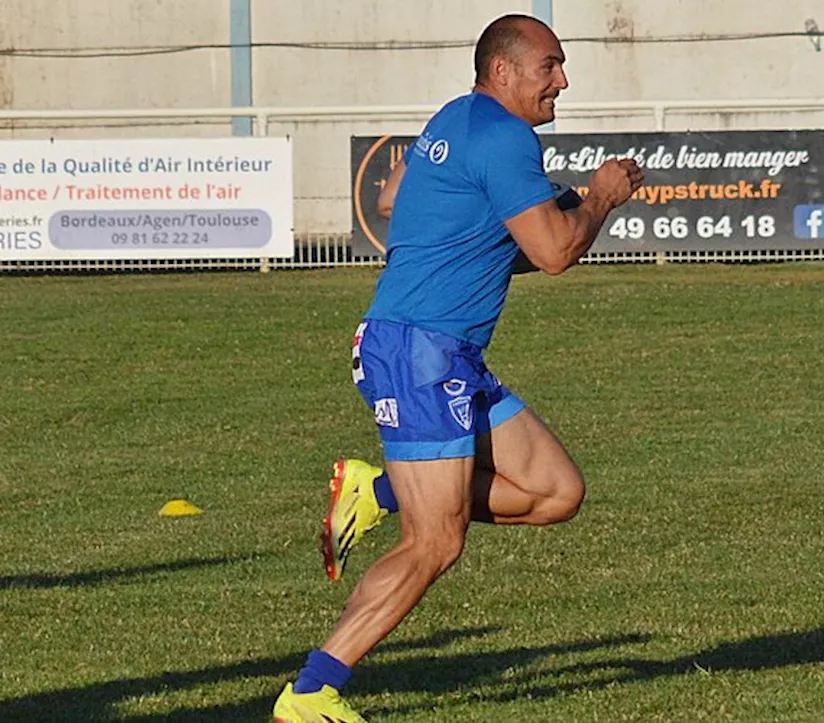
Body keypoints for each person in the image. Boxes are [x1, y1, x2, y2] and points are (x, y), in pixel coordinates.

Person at [272, 14, 644, 722]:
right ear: (503, 71)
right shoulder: (505, 135)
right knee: (436, 539)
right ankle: (312, 692)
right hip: (417, 352)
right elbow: (556, 252)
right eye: (550, 67)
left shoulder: (454, 117)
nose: (561, 81)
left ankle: (377, 490)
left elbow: (390, 200)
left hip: (443, 353)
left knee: (557, 491)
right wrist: (599, 197)